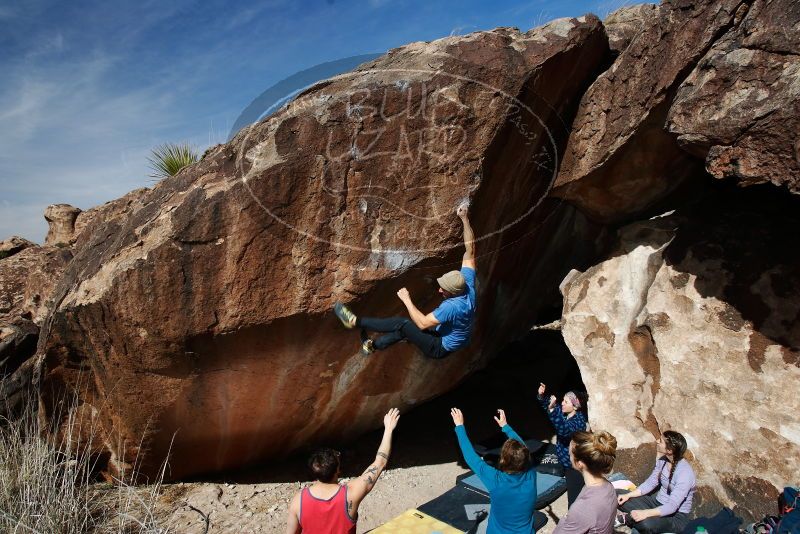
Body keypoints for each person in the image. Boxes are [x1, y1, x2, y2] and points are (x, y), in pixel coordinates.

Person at [333, 205, 477, 359]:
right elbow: (471, 249)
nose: (440, 291)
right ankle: (371, 346)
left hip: (438, 346)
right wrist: (464, 219)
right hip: (446, 336)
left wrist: (407, 300)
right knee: (404, 331)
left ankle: (354, 321)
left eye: (444, 290)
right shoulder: (466, 283)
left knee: (403, 324)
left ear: (454, 292)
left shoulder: (452, 307)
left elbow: (423, 323)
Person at [284, 408, 400, 534]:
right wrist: (388, 429)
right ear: (337, 471)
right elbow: (380, 462)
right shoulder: (350, 494)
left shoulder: (298, 500)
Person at [451, 407, 538, 534]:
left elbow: (471, 458)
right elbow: (524, 448)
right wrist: (505, 426)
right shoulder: (531, 474)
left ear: (503, 460)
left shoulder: (497, 480)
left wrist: (459, 426)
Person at [617, 430, 696, 534]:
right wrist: (628, 495)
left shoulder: (685, 474)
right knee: (616, 494)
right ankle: (633, 517)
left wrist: (645, 513)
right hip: (655, 504)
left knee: (646, 524)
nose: (657, 441)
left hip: (675, 516)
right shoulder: (663, 460)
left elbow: (672, 506)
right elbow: (650, 483)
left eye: (661, 441)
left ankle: (628, 518)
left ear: (669, 450)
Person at [552, 430, 618, 534]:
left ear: (579, 464)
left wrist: (566, 518)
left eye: (570, 454)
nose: (569, 457)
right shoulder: (607, 486)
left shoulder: (583, 509)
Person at [537, 382, 588, 507]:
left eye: (566, 402)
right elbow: (551, 407)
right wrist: (542, 396)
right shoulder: (567, 415)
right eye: (563, 400)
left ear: (575, 406)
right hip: (566, 462)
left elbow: (564, 430)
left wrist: (553, 410)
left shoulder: (579, 421)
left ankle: (574, 519)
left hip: (574, 467)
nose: (562, 403)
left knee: (574, 497)